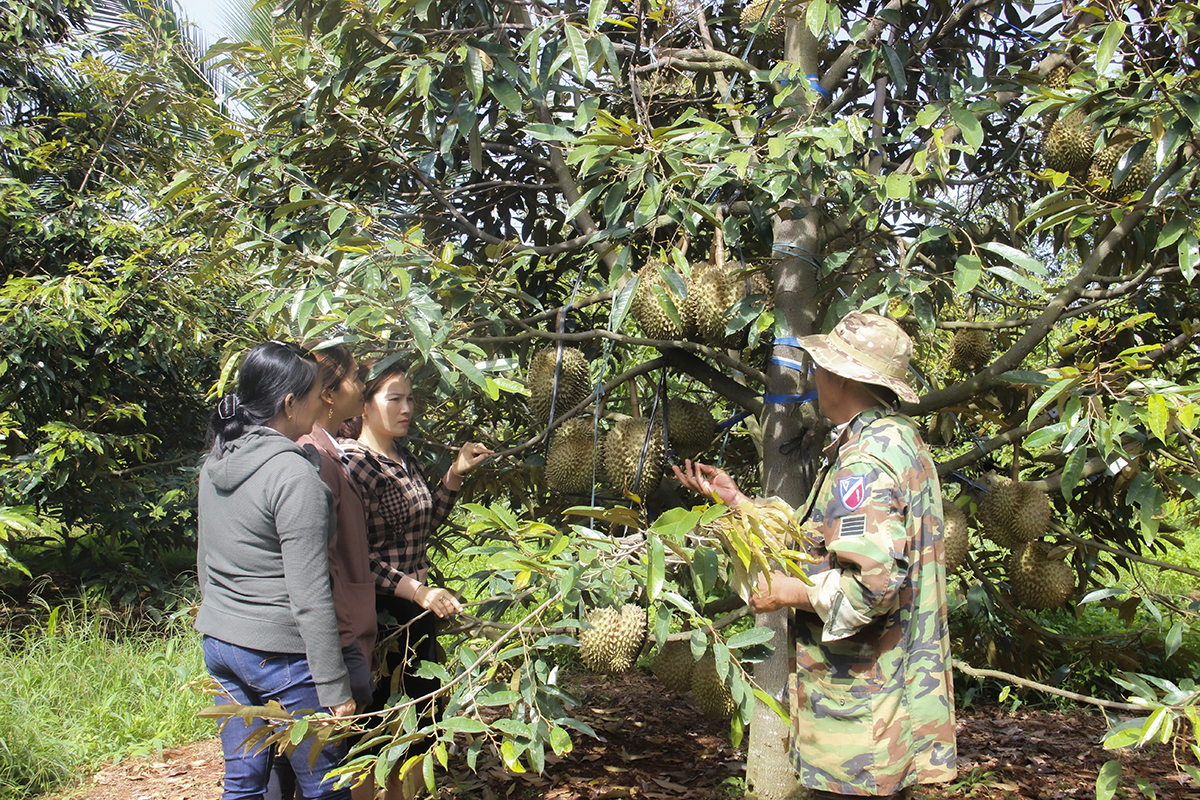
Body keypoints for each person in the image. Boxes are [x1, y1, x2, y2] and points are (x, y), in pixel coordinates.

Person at [674, 311, 956, 800]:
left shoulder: (864, 462)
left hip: (862, 722)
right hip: (889, 707)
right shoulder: (898, 440)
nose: (814, 376)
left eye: (822, 366)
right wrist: (739, 504)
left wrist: (789, 592)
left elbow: (871, 588)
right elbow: (827, 543)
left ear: (844, 378)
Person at [196, 341, 355, 800]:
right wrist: (333, 686)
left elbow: (206, 560)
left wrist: (222, 617)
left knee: (243, 779)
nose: (323, 403)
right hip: (279, 654)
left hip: (220, 643)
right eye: (317, 393)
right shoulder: (293, 477)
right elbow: (309, 594)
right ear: (290, 403)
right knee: (326, 785)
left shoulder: (218, 460)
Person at [340, 360, 492, 745]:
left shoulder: (405, 459)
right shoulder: (354, 465)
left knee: (422, 721)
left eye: (410, 399)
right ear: (365, 404)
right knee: (381, 724)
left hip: (419, 609)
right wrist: (416, 590)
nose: (407, 409)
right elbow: (356, 557)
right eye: (394, 399)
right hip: (383, 613)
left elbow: (419, 528)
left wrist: (455, 474)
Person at [268, 343, 374, 800]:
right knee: (312, 767)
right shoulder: (314, 456)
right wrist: (343, 639)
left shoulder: (328, 446)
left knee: (295, 762)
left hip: (339, 622)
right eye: (356, 377)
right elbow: (317, 562)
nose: (364, 386)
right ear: (327, 394)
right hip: (332, 629)